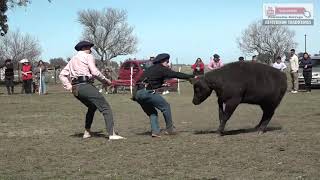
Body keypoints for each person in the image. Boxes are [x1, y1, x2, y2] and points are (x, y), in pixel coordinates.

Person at [59, 41, 125, 140]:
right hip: (85, 86)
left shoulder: (72, 59)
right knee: (105, 107)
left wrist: (69, 87)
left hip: (76, 88)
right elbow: (94, 72)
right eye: (90, 48)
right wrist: (106, 80)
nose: (91, 50)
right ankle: (112, 134)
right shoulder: (88, 56)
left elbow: (62, 75)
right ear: (86, 48)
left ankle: (87, 132)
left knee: (92, 106)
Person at [133, 53, 195, 138]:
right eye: (167, 61)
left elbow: (149, 81)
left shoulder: (150, 69)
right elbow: (176, 74)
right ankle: (170, 129)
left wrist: (162, 85)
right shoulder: (162, 69)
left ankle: (155, 132)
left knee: (152, 112)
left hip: (138, 94)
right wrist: (190, 77)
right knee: (165, 107)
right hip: (147, 93)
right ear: (162, 61)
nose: (168, 63)